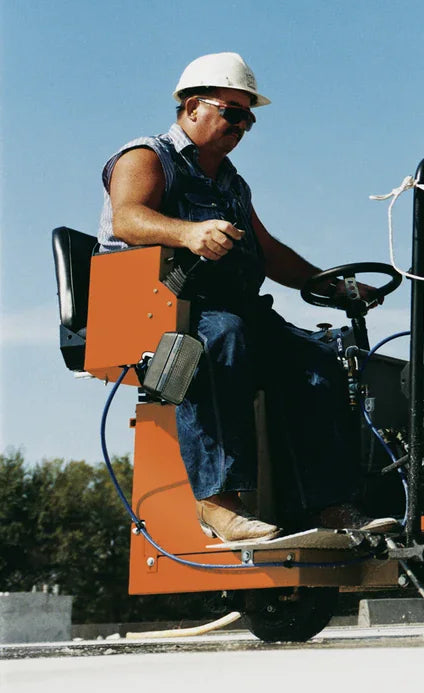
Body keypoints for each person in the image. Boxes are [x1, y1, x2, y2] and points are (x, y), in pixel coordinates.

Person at [98, 51, 398, 543]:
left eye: (249, 118)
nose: (242, 126)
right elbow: (127, 219)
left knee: (318, 359)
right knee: (225, 337)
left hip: (230, 309)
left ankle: (329, 505)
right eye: (233, 112)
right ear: (193, 107)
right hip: (163, 311)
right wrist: (188, 233)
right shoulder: (147, 157)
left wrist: (336, 286)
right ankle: (216, 502)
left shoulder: (232, 182)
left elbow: (269, 253)